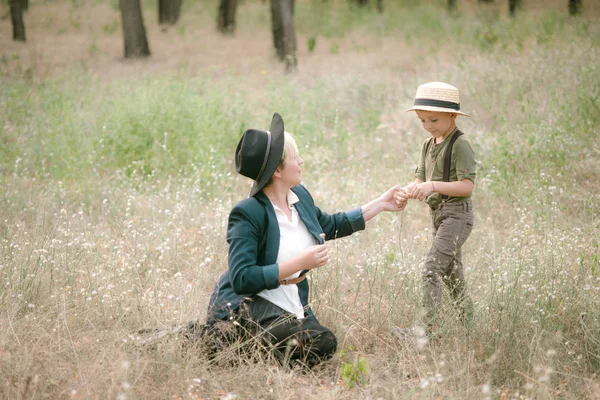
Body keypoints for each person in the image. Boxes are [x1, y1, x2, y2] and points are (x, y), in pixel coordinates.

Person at [205, 112, 406, 368]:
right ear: (277, 170)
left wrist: (380, 204)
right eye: (294, 157)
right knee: (323, 341)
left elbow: (330, 224)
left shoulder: (298, 196)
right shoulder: (248, 212)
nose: (301, 161)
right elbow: (242, 278)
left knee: (320, 341)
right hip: (246, 307)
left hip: (290, 299)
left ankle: (236, 349)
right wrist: (299, 261)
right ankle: (222, 341)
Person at [394, 82, 476, 338]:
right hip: (439, 216)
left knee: (431, 269)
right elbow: (421, 180)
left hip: (457, 215)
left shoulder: (460, 145)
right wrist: (408, 191)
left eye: (434, 119)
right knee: (453, 276)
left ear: (452, 116)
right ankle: (471, 328)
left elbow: (467, 187)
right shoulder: (428, 145)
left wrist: (432, 186)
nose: (428, 126)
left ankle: (425, 331)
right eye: (422, 120)